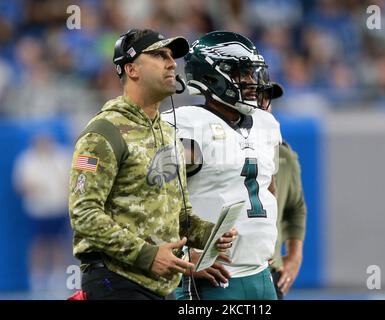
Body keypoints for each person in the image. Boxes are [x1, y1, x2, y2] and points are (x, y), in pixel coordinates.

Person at [68, 29, 236, 300]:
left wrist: (209, 235)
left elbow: (177, 216)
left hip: (161, 284)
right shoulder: (103, 131)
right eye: (160, 55)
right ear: (131, 69)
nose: (172, 63)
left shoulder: (168, 132)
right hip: (116, 282)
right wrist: (148, 256)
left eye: (172, 56)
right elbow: (84, 214)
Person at [162, 31, 281, 300]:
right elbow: (154, 201)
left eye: (252, 74)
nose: (252, 82)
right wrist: (180, 254)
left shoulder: (266, 124)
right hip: (215, 277)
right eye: (242, 74)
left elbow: (268, 190)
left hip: (261, 271)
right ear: (212, 76)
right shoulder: (187, 124)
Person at [262, 82, 307, 300]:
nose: (263, 104)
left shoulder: (283, 155)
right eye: (254, 96)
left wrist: (294, 256)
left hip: (270, 274)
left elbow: (295, 207)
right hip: (225, 274)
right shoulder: (216, 150)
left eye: (266, 99)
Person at [13, 132, 72, 290]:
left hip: (58, 208)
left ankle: (58, 276)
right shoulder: (26, 159)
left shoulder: (62, 156)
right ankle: (37, 277)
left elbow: (70, 181)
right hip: (37, 210)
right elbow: (20, 185)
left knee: (58, 242)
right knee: (38, 243)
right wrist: (33, 187)